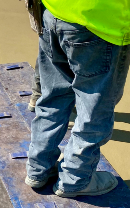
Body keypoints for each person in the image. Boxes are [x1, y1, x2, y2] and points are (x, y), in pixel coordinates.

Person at [25, 0, 130, 197]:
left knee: (53, 98)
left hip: (54, 11)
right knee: (94, 110)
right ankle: (75, 179)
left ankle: (38, 169)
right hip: (101, 23)